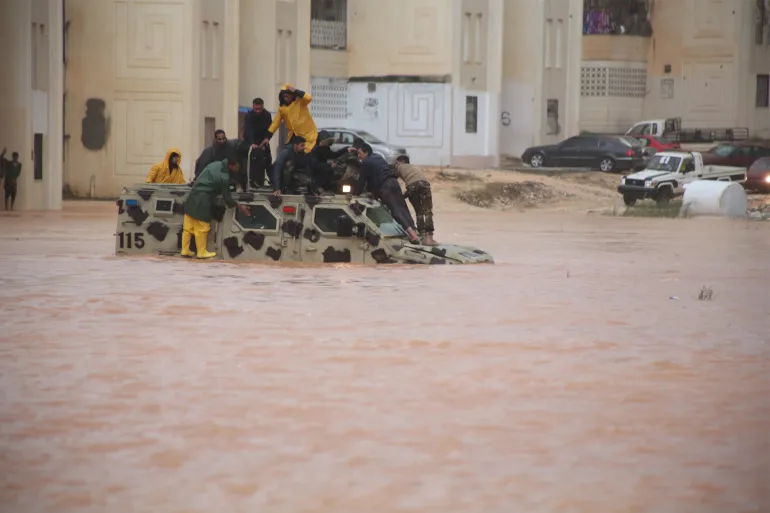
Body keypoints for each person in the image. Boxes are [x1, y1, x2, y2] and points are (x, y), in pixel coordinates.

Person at [181, 152, 251, 259]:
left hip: (192, 196)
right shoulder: (224, 176)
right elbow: (228, 198)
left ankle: (185, 250)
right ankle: (201, 252)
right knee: (202, 227)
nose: (237, 169)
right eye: (237, 167)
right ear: (231, 166)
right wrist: (240, 206)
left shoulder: (216, 164)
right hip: (203, 200)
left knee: (188, 227)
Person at [356, 144, 420, 244]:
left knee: (395, 210)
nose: (358, 156)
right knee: (402, 207)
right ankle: (414, 230)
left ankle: (413, 235)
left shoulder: (365, 162)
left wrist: (355, 193)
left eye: (359, 153)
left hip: (385, 186)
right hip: (394, 182)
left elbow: (361, 181)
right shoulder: (378, 157)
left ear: (366, 152)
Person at [260, 83, 318, 185]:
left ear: (292, 95)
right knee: (284, 158)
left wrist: (295, 90)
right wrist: (267, 137)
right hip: (294, 137)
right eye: (284, 96)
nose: (286, 98)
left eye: (288, 95)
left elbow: (308, 98)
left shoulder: (300, 102)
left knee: (309, 160)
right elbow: (275, 123)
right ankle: (278, 182)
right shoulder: (282, 108)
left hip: (308, 136)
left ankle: (312, 185)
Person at [395, 155, 437, 246]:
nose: (396, 165)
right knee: (428, 212)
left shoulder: (400, 167)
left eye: (396, 163)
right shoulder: (414, 167)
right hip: (424, 184)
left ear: (399, 162)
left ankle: (422, 236)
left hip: (412, 186)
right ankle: (429, 239)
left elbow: (391, 177)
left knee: (419, 212)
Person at [243, 98, 273, 172]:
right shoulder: (249, 116)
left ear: (263, 107)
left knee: (268, 160)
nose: (258, 111)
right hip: (250, 141)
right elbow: (248, 130)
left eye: (260, 109)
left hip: (262, 140)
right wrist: (252, 143)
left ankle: (272, 180)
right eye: (256, 109)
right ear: (253, 107)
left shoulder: (267, 115)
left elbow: (270, 129)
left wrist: (267, 138)